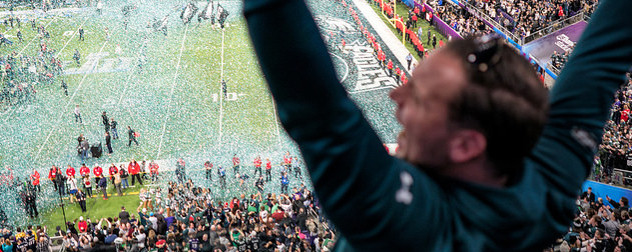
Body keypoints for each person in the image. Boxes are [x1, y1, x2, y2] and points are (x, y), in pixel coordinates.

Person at [243, 0, 632, 250]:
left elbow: (316, 105)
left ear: (465, 145)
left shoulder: (412, 230)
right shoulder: (545, 186)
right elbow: (599, 60)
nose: (396, 97)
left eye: (420, 97)